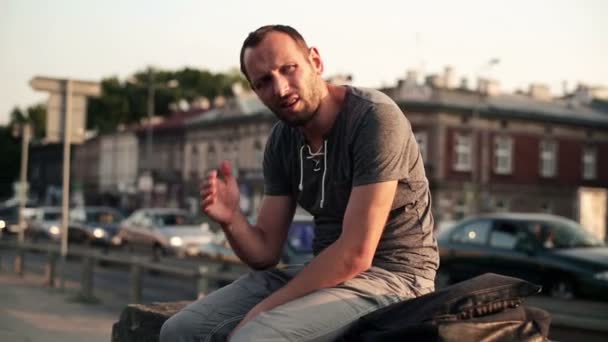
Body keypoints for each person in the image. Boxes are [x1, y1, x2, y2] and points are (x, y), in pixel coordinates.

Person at [160, 24, 438, 342]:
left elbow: (355, 254)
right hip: (326, 273)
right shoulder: (282, 141)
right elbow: (264, 253)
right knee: (179, 330)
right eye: (264, 82)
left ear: (315, 62)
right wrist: (232, 218)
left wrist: (261, 312)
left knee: (255, 337)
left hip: (396, 277)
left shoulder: (374, 118)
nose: (280, 89)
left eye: (288, 69)